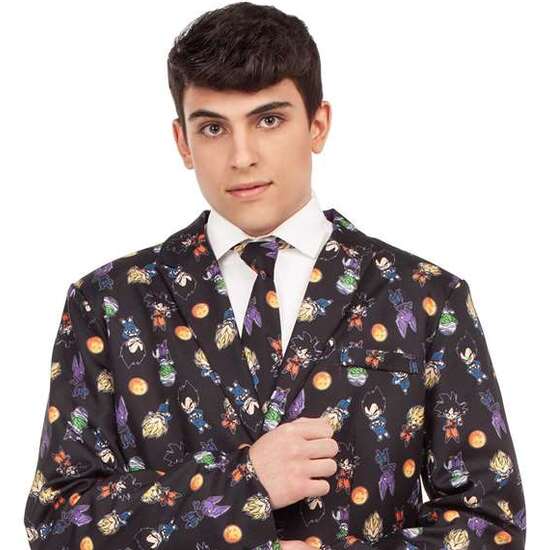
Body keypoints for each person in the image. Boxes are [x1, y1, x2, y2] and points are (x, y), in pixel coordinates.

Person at [23, 2, 526, 549]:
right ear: (183, 142)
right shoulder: (109, 302)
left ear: (317, 124)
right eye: (212, 127)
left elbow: (490, 522)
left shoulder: (424, 296)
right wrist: (244, 483)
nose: (242, 156)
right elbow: (56, 522)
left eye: (269, 120)